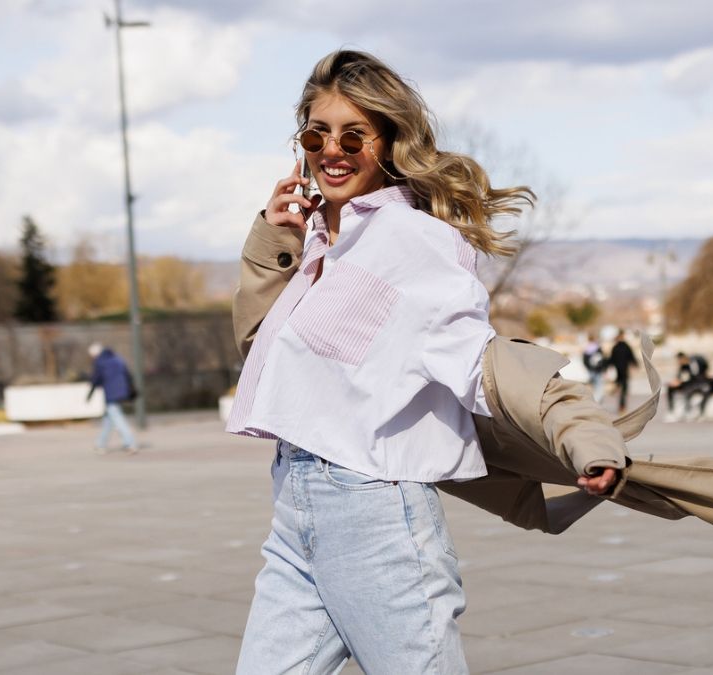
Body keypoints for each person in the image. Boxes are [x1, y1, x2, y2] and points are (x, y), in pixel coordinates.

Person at [225, 50, 539, 673]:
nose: (331, 150)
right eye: (317, 133)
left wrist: (577, 431)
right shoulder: (320, 244)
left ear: (389, 142)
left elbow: (476, 361)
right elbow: (261, 352)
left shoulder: (416, 242)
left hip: (375, 516)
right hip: (296, 508)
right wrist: (272, 238)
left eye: (353, 135)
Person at [85, 342, 138, 454]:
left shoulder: (100, 362)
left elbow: (96, 379)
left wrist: (90, 392)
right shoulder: (117, 359)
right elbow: (127, 374)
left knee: (118, 419)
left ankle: (130, 443)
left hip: (111, 393)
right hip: (122, 391)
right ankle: (100, 444)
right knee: (108, 420)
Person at [607, 329, 637, 414]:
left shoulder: (615, 347)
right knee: (624, 390)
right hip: (624, 371)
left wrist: (606, 367)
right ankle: (622, 406)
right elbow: (631, 356)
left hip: (618, 371)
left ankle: (616, 390)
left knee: (620, 387)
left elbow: (611, 359)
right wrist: (635, 364)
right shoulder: (626, 346)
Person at [582, 333, 606, 403]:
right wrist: (603, 368)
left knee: (593, 386)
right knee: (599, 387)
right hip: (598, 370)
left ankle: (592, 400)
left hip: (591, 371)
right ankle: (596, 401)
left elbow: (584, 361)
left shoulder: (586, 348)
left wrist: (588, 368)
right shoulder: (598, 348)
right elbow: (602, 359)